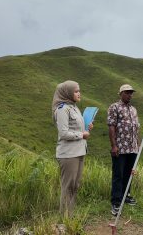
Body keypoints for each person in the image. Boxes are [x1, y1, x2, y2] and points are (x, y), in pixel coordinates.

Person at [52, 80, 93, 217]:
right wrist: (82, 134)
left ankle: (70, 215)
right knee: (68, 186)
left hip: (79, 151)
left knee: (75, 186)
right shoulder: (62, 109)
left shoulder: (74, 107)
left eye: (79, 90)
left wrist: (87, 128)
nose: (79, 93)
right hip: (68, 154)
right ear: (67, 93)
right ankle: (64, 219)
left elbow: (76, 128)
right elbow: (63, 133)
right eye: (76, 91)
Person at [107, 84, 140, 216]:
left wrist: (139, 145)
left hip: (132, 148)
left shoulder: (133, 109)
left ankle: (125, 195)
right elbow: (111, 126)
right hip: (120, 148)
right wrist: (114, 146)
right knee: (118, 174)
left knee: (128, 173)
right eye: (127, 92)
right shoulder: (114, 107)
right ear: (120, 93)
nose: (129, 95)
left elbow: (136, 128)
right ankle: (116, 201)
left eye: (131, 93)